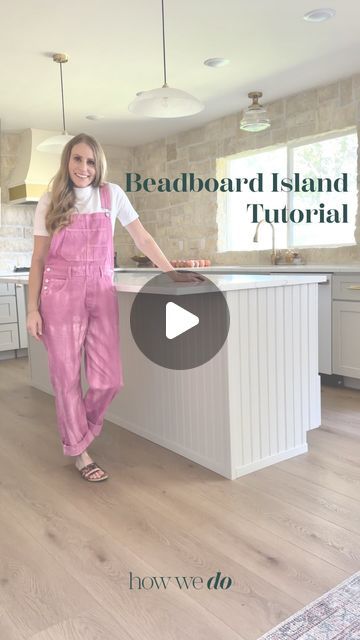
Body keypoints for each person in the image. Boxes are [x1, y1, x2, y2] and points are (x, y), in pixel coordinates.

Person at [26, 133, 203, 482]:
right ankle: (80, 453)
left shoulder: (112, 195)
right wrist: (32, 308)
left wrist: (171, 272)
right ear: (67, 161)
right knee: (65, 378)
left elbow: (142, 238)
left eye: (90, 161)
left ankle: (79, 433)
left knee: (110, 380)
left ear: (99, 165)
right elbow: (38, 259)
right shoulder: (50, 201)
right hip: (59, 294)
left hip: (100, 292)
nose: (83, 167)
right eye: (77, 159)